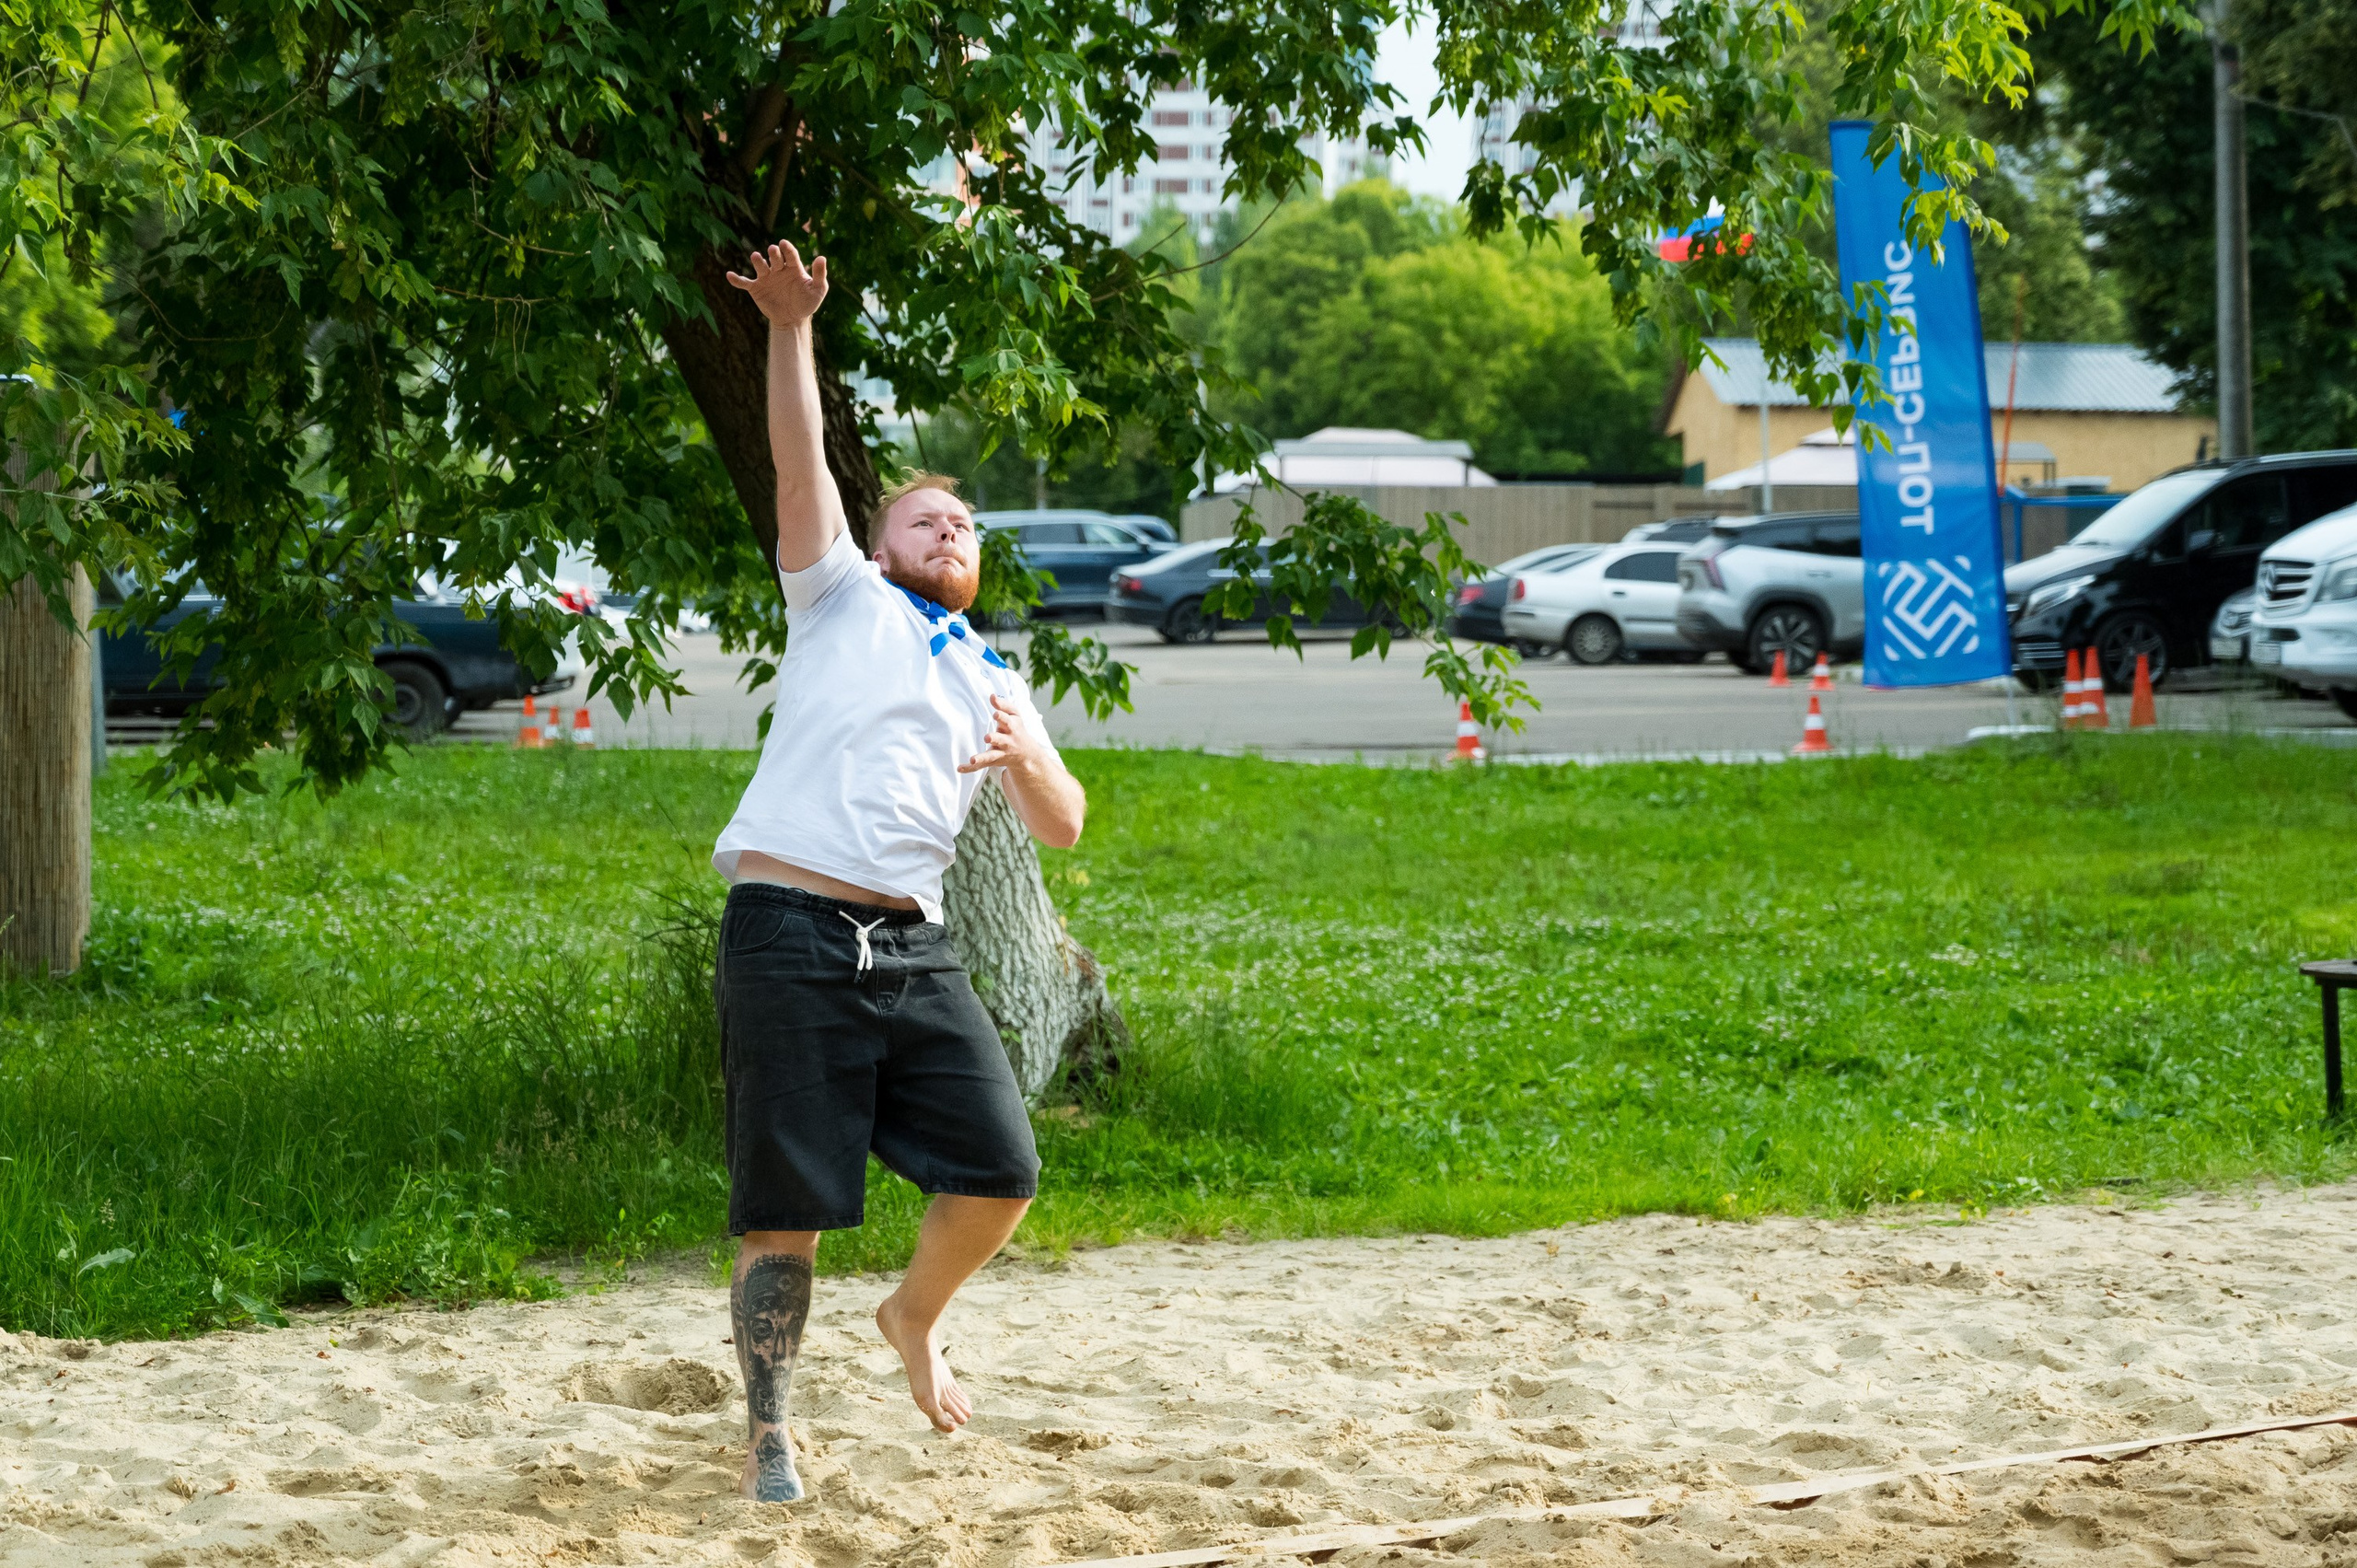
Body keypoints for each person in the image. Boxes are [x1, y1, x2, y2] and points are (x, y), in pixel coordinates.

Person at [710, 239, 1086, 1504]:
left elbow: (1066, 824)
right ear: (877, 548)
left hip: (911, 945)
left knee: (1002, 1169)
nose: (950, 526)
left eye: (967, 521)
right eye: (926, 515)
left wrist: (1028, 755)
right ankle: (770, 1424)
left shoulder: (994, 675)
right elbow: (798, 459)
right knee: (789, 1210)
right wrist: (789, 330)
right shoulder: (838, 602)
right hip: (788, 924)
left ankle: (912, 1319)